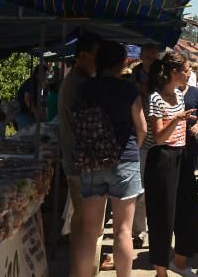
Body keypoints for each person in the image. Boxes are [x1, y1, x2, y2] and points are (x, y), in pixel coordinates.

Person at [72, 40, 147, 277]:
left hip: (91, 161)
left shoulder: (83, 88)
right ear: (122, 63)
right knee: (123, 231)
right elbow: (142, 128)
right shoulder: (128, 89)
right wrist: (132, 150)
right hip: (124, 160)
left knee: (89, 230)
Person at [144, 52, 198, 277]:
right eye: (186, 70)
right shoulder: (155, 98)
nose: (189, 74)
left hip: (182, 156)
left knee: (188, 210)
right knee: (162, 215)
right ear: (173, 72)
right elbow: (158, 137)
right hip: (162, 159)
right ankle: (161, 270)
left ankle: (179, 261)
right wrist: (177, 119)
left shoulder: (179, 94)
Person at [57, 32, 104, 277]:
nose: (99, 61)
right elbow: (90, 127)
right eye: (97, 56)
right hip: (82, 165)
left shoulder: (76, 81)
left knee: (81, 225)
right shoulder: (79, 84)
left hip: (78, 163)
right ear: (84, 56)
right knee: (86, 227)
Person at [131, 42, 160, 247]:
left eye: (154, 58)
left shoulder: (162, 74)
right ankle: (139, 231)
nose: (150, 61)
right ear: (141, 56)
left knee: (158, 188)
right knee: (140, 189)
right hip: (140, 137)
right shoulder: (134, 74)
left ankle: (159, 229)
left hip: (160, 137)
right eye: (147, 57)